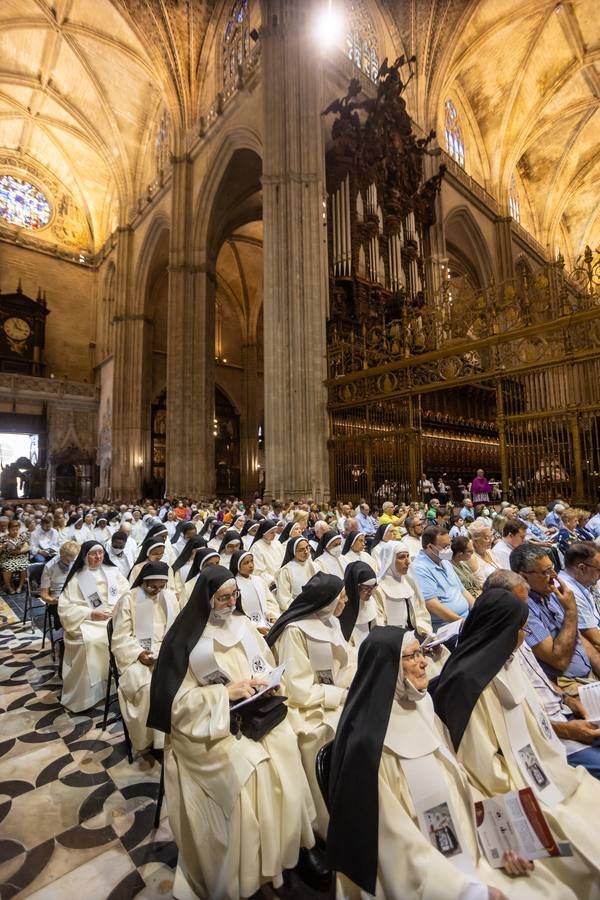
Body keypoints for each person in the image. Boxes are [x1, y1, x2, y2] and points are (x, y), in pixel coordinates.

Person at [328, 625, 573, 900]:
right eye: (410, 656)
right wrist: (468, 891)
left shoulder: (422, 706)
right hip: (428, 876)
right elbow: (394, 843)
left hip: (471, 847)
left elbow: (459, 780)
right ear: (388, 668)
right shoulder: (370, 746)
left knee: (555, 887)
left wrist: (500, 842)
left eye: (420, 652)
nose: (423, 662)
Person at [147, 565, 316, 900]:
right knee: (255, 769)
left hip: (253, 715)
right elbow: (179, 706)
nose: (228, 603)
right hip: (204, 731)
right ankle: (251, 869)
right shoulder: (186, 638)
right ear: (206, 599)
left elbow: (264, 664)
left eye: (233, 596)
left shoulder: (245, 627)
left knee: (286, 746)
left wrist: (266, 681)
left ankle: (292, 849)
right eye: (221, 598)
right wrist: (225, 694)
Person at [433, 588, 600, 896]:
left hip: (542, 769)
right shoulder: (467, 682)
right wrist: (530, 785)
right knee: (576, 833)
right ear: (503, 630)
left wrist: (547, 766)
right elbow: (481, 765)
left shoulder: (506, 661)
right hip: (506, 787)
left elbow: (535, 728)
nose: (524, 635)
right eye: (521, 629)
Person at [484, 569, 600, 779]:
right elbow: (513, 724)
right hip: (551, 735)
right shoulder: (490, 656)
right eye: (520, 605)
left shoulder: (519, 631)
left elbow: (541, 680)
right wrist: (566, 729)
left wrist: (571, 701)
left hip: (566, 711)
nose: (525, 613)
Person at [266, 572, 354, 839]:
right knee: (320, 736)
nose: (346, 601)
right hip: (306, 707)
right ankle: (328, 823)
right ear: (327, 601)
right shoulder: (294, 631)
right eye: (342, 597)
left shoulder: (331, 622)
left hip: (336, 694)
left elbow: (347, 662)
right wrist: (339, 695)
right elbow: (296, 688)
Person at [509, 543, 600, 694]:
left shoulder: (552, 594)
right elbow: (559, 661)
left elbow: (579, 639)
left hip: (589, 675)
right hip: (569, 685)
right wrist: (571, 611)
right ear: (523, 576)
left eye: (553, 569)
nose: (554, 577)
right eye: (546, 572)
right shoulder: (523, 610)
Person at [111, 560, 179, 753]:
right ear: (143, 580)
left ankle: (175, 735)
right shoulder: (129, 599)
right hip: (135, 654)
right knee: (149, 688)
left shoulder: (170, 598)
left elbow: (177, 629)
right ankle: (150, 740)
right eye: (151, 586)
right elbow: (120, 637)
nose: (155, 590)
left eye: (160, 586)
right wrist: (139, 653)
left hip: (165, 652)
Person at [58, 541, 131, 712]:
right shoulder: (77, 578)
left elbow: (126, 592)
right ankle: (89, 695)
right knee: (92, 642)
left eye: (100, 553)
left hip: (115, 616)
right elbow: (66, 607)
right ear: (84, 556)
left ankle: (118, 684)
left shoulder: (113, 572)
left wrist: (118, 608)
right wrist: (91, 614)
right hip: (89, 621)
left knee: (126, 636)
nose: (98, 557)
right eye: (93, 554)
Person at [410, 526, 473, 630]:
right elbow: (432, 605)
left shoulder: (444, 561)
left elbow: (463, 591)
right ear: (430, 547)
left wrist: (479, 611)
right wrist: (463, 623)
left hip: (465, 618)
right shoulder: (419, 568)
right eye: (445, 546)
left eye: (449, 545)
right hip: (447, 626)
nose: (449, 550)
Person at [375, 540, 431, 633]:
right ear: (390, 560)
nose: (408, 562)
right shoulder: (379, 588)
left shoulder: (410, 582)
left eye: (408, 556)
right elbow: (379, 623)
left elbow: (420, 614)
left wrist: (425, 632)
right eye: (401, 557)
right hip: (394, 640)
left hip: (415, 634)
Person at [557, 542, 600, 657]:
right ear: (581, 568)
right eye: (599, 570)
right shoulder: (570, 591)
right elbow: (596, 640)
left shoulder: (581, 583)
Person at [39, 540, 79, 639]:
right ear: (60, 554)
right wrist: (52, 601)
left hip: (75, 595)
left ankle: (78, 639)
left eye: (72, 560)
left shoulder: (76, 561)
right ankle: (65, 639)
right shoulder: (49, 566)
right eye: (67, 560)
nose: (69, 563)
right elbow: (44, 594)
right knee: (69, 614)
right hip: (57, 600)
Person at [230, 549, 278, 629]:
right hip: (249, 627)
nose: (251, 565)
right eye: (246, 563)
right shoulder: (234, 585)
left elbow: (269, 601)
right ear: (237, 566)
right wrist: (255, 627)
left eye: (252, 561)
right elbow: (236, 613)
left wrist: (271, 615)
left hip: (267, 622)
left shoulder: (259, 580)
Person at [341, 561, 380, 648]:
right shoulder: (342, 606)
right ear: (354, 586)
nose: (370, 593)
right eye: (366, 588)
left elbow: (376, 629)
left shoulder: (371, 601)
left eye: (373, 587)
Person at [274, 536, 317, 612]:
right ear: (293, 552)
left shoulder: (312, 564)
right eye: (301, 550)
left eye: (307, 547)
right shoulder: (286, 570)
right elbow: (284, 599)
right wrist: (302, 608)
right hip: (298, 609)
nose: (306, 551)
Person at [251, 520, 283, 588]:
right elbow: (258, 572)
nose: (275, 535)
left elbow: (284, 561)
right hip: (269, 584)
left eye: (275, 532)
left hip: (282, 578)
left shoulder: (277, 543)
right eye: (271, 533)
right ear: (264, 533)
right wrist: (273, 581)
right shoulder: (257, 547)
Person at [0, 519, 30, 593]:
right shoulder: (3, 538)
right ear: (9, 529)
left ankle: (20, 586)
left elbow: (27, 547)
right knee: (8, 567)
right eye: (13, 530)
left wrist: (19, 551)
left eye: (17, 530)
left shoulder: (22, 537)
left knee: (24, 566)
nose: (15, 532)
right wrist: (2, 546)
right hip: (7, 557)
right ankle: (8, 586)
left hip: (20, 556)